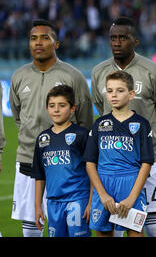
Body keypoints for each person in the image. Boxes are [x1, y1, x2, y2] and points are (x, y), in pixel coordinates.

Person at [91, 16, 156, 237]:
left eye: (123, 38)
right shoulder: (98, 72)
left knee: (154, 227)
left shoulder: (153, 71)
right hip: (114, 165)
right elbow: (103, 113)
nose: (117, 42)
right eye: (113, 38)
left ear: (135, 41)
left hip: (148, 163)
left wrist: (154, 146)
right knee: (116, 226)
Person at [9, 19, 94, 237]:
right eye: (33, 38)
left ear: (56, 44)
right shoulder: (19, 76)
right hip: (28, 160)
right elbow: (19, 118)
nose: (38, 42)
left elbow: (84, 122)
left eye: (45, 38)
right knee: (31, 230)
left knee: (67, 230)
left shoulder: (73, 76)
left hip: (67, 166)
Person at [84, 70, 153, 237]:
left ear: (131, 95)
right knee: (103, 233)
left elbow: (146, 163)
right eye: (109, 91)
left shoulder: (141, 124)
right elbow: (90, 162)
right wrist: (102, 194)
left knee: (135, 232)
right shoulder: (100, 124)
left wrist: (131, 198)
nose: (114, 95)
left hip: (130, 183)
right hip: (104, 183)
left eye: (120, 90)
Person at [31, 85, 92, 237]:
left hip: (78, 200)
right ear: (47, 108)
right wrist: (38, 206)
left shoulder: (82, 135)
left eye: (62, 105)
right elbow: (40, 176)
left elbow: (93, 172)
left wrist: (91, 202)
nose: (56, 110)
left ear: (72, 108)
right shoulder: (42, 139)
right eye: (52, 106)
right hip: (53, 203)